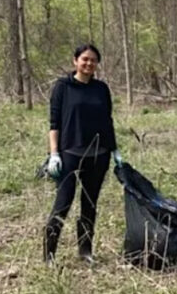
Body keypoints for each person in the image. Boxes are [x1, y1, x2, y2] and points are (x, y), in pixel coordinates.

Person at [44, 43, 122, 265]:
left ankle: (85, 250)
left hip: (99, 155)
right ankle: (49, 254)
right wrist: (54, 153)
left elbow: (108, 121)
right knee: (63, 203)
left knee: (90, 203)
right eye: (84, 59)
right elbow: (54, 122)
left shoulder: (101, 89)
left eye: (93, 60)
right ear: (75, 61)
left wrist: (115, 150)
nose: (89, 63)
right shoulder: (62, 87)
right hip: (69, 154)